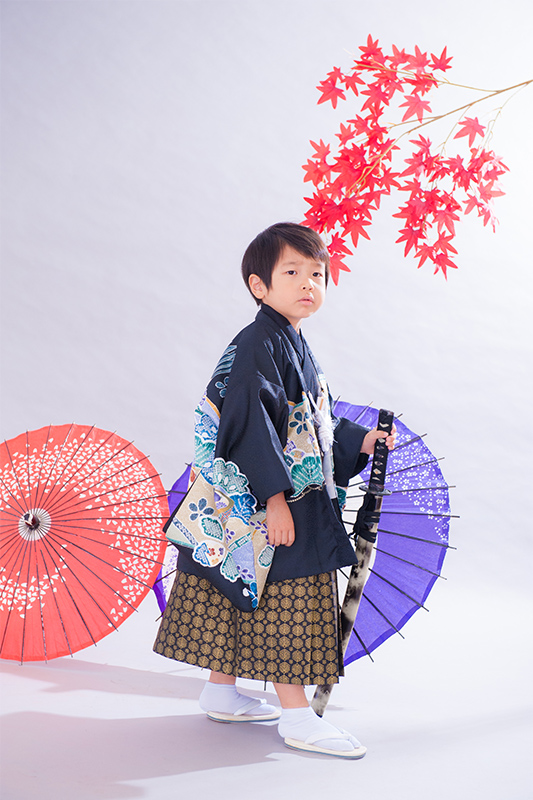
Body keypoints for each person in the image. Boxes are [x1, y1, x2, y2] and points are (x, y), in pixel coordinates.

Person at [154, 222, 395, 759]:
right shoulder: (257, 345)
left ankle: (221, 690)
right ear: (258, 285)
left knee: (239, 592)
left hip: (275, 495)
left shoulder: (289, 342)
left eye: (318, 274)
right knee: (289, 596)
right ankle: (297, 717)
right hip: (264, 501)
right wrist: (274, 500)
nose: (309, 283)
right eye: (293, 272)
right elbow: (249, 427)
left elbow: (312, 421)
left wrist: (357, 440)